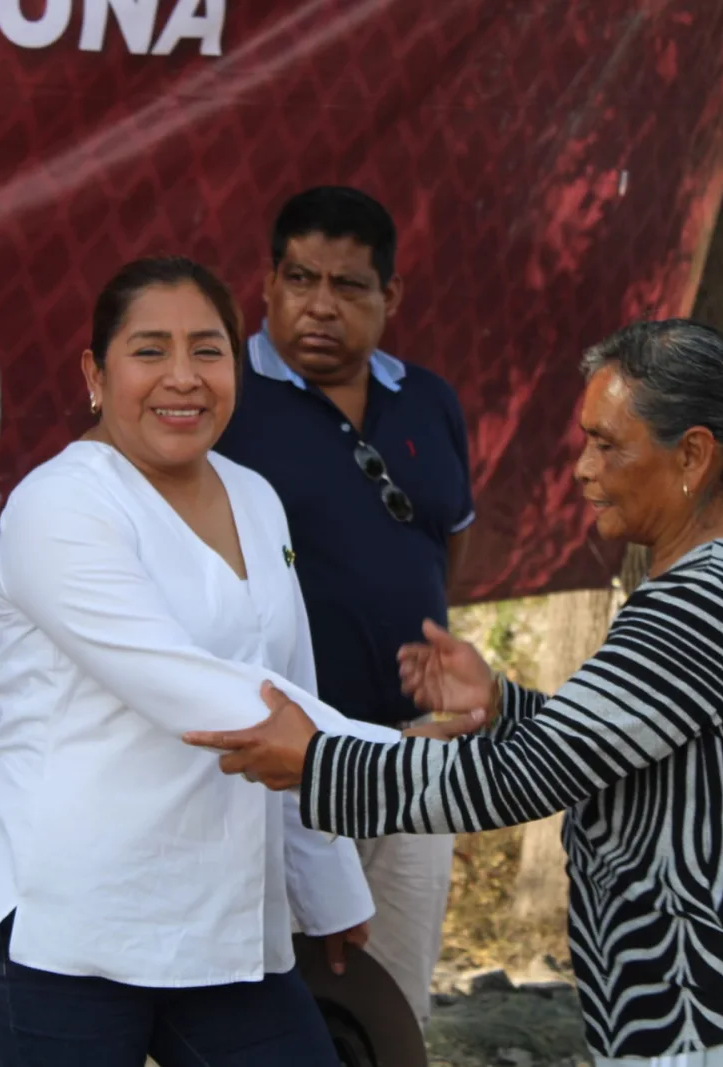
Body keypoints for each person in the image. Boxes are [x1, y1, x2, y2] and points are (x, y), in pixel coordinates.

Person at [187, 320, 723, 1067]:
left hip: (719, 1006)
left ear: (694, 455)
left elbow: (526, 776)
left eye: (608, 444)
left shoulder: (701, 600)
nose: (582, 468)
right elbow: (636, 745)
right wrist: (506, 708)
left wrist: (317, 763)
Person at [0, 256, 409, 1067]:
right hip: (67, 921)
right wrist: (432, 766)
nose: (182, 378)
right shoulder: (61, 504)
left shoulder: (254, 495)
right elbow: (198, 694)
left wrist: (326, 889)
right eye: (150, 351)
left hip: (224, 917)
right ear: (95, 371)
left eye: (208, 350)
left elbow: (291, 689)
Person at [214, 185, 475, 1027]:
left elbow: (443, 546)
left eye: (349, 285)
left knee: (392, 1010)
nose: (320, 305)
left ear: (390, 296)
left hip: (410, 763)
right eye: (301, 278)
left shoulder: (429, 401)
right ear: (267, 283)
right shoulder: (223, 403)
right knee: (278, 1011)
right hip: (279, 766)